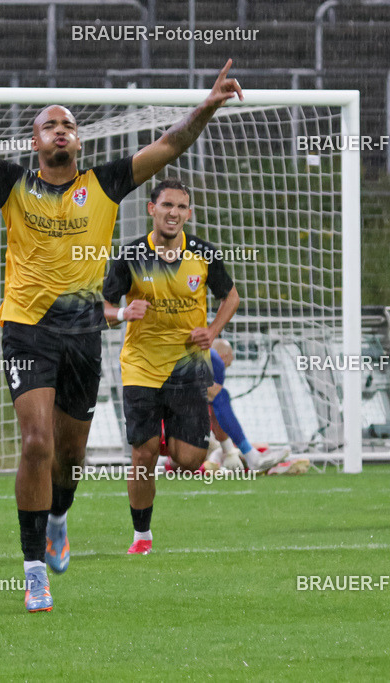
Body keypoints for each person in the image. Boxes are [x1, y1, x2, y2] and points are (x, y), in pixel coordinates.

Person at [0, 39, 243, 611]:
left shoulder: (105, 183)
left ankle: (59, 517)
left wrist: (205, 106)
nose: (60, 129)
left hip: (83, 336)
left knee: (70, 457)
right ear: (35, 141)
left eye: (69, 124)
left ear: (78, 141)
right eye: (49, 124)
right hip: (26, 328)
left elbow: (170, 143)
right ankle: (34, 568)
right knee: (35, 442)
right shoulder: (12, 184)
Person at [103, 178, 269, 556]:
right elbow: (103, 307)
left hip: (188, 368)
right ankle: (141, 537)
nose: (173, 213)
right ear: (152, 209)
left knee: (189, 457)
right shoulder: (130, 255)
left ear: (188, 213)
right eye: (167, 205)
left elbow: (231, 296)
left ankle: (164, 436)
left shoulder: (203, 254)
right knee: (142, 455)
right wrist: (124, 312)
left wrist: (212, 331)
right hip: (141, 367)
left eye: (181, 207)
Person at [203, 339, 299, 473]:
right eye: (229, 362)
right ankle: (256, 459)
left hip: (178, 433)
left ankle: (263, 461)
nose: (228, 365)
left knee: (212, 452)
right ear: (225, 356)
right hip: (190, 435)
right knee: (209, 453)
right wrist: (228, 450)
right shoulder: (214, 361)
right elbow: (215, 407)